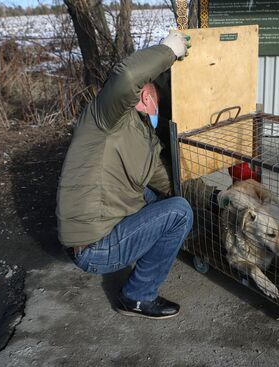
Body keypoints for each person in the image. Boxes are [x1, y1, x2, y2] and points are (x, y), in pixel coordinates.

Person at [56, 31, 193, 320]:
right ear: (145, 95)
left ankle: (142, 267)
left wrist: (213, 198)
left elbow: (168, 183)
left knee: (161, 198)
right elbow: (128, 74)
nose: (162, 111)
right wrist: (169, 49)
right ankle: (138, 296)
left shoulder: (144, 135)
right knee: (179, 213)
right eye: (159, 100)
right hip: (92, 247)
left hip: (100, 230)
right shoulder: (105, 117)